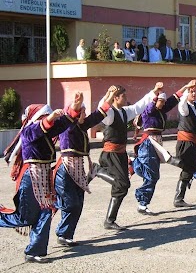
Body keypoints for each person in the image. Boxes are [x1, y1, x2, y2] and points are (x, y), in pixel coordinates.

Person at [0, 94, 83, 263]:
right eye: (45, 116)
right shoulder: (29, 131)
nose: (48, 119)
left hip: (43, 177)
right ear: (37, 118)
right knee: (26, 218)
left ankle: (34, 251)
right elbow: (40, 128)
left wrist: (75, 107)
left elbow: (63, 123)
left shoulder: (47, 131)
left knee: (45, 212)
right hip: (30, 178)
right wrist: (51, 117)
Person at [53, 86, 117, 247]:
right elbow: (71, 114)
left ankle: (66, 235)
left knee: (78, 203)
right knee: (71, 203)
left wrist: (110, 95)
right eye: (81, 111)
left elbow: (100, 113)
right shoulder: (67, 127)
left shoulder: (82, 125)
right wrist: (76, 104)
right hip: (65, 169)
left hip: (78, 168)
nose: (84, 114)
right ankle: (62, 232)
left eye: (84, 111)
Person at [98, 82, 163, 230]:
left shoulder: (123, 111)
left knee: (124, 184)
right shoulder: (109, 113)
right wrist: (107, 95)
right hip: (110, 153)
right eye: (123, 96)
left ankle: (110, 220)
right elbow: (102, 108)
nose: (126, 98)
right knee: (122, 184)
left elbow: (139, 106)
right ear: (115, 98)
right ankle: (98, 171)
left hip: (120, 153)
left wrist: (154, 92)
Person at [133, 81, 195, 214]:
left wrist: (186, 87)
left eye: (163, 101)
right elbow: (150, 103)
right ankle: (142, 202)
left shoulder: (161, 110)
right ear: (155, 100)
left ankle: (134, 164)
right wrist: (156, 91)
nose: (162, 103)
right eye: (160, 101)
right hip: (148, 144)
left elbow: (174, 98)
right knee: (152, 175)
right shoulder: (149, 110)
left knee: (151, 174)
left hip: (156, 143)